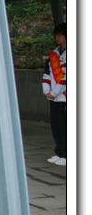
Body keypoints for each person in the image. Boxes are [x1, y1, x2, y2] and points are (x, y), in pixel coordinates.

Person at [42, 23, 67, 166]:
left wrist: (54, 92)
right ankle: (60, 152)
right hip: (54, 97)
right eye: (56, 35)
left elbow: (66, 77)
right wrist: (47, 91)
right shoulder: (53, 54)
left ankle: (67, 154)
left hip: (64, 96)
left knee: (65, 126)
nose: (58, 37)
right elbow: (46, 75)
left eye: (60, 35)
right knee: (56, 126)